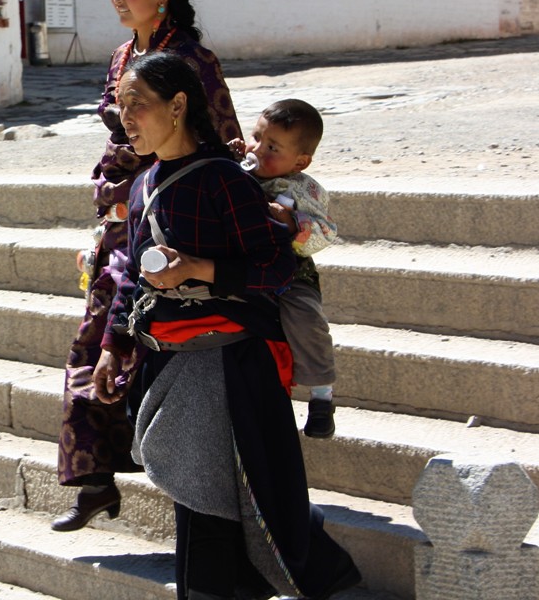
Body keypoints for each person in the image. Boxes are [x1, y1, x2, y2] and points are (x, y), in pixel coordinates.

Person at [93, 52, 361, 600]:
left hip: (232, 365)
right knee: (209, 501)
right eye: (122, 104)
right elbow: (130, 279)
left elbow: (277, 266)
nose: (127, 117)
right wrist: (112, 344)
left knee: (220, 502)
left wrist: (199, 270)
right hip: (171, 361)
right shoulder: (144, 184)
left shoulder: (224, 182)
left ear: (179, 105)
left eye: (137, 103)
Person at [52, 0, 242, 532]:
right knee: (94, 343)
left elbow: (224, 141)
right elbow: (122, 137)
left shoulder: (191, 58)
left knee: (149, 347)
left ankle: (197, 491)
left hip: (173, 219)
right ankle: (93, 480)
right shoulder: (120, 56)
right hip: (122, 220)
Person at [229, 99, 339, 438]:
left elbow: (325, 233)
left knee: (306, 319)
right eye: (255, 137)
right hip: (242, 269)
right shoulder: (238, 170)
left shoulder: (303, 189)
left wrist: (291, 222)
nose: (257, 150)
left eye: (272, 147)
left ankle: (322, 395)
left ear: (300, 161)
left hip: (290, 275)